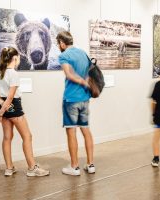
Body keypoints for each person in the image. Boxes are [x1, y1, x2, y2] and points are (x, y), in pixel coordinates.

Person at [0, 47, 49, 177]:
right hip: (13, 107)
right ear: (15, 58)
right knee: (27, 136)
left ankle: (9, 168)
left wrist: (2, 107)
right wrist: (0, 113)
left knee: (7, 137)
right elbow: (11, 97)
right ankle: (32, 168)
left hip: (4, 107)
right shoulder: (13, 74)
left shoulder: (0, 74)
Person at [56, 31, 95, 176]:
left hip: (71, 100)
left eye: (58, 43)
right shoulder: (83, 53)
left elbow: (69, 75)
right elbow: (91, 72)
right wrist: (86, 83)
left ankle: (74, 167)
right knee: (86, 130)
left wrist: (81, 81)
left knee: (71, 132)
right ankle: (90, 165)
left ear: (62, 42)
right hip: (84, 98)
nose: (58, 46)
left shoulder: (64, 55)